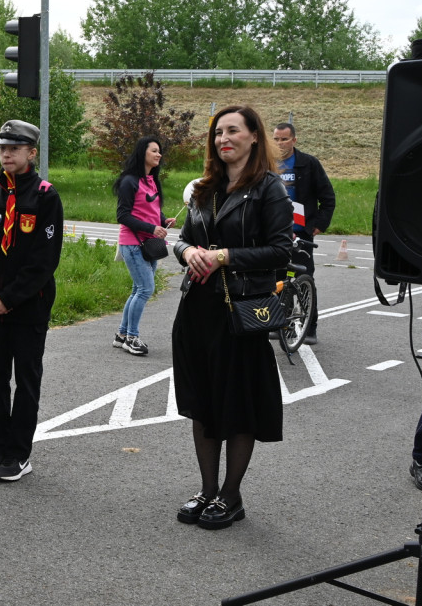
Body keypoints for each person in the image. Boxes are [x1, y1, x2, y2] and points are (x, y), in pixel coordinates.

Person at [171, 105, 292, 529]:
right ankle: (207, 490)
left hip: (240, 313)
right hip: (197, 311)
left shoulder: (269, 189)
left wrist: (224, 256)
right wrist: (188, 252)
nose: (224, 138)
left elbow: (282, 251)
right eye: (218, 132)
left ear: (254, 136)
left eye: (233, 131)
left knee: (237, 405)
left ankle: (231, 495)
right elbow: (182, 240)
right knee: (203, 405)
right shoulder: (204, 188)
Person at [0, 120, 64, 482]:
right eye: (3, 148)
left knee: (26, 380)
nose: (6, 153)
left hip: (27, 308)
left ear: (31, 153)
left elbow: (44, 259)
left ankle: (19, 453)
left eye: (15, 148)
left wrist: (9, 297)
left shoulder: (45, 196)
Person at [272, 122, 335, 344]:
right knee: (277, 278)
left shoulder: (308, 164)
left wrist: (318, 224)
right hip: (274, 233)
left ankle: (309, 328)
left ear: (294, 140)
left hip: (301, 233)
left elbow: (328, 198)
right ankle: (277, 322)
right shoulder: (266, 163)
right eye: (276, 139)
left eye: (284, 139)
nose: (280, 144)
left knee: (302, 278)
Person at [112, 136, 175, 356]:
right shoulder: (130, 180)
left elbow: (152, 209)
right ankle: (132, 338)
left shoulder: (152, 180)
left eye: (160, 152)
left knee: (138, 289)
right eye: (154, 151)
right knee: (146, 289)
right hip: (133, 243)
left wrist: (163, 220)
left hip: (149, 244)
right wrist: (151, 228)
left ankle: (122, 335)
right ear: (143, 153)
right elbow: (122, 215)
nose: (159, 155)